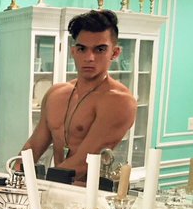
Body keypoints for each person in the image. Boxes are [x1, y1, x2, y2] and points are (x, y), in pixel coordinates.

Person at [20, 9, 137, 181]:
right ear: (73, 51)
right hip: (55, 186)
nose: (89, 57)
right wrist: (13, 176)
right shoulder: (56, 93)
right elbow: (33, 146)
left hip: (88, 193)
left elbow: (84, 163)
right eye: (82, 49)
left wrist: (40, 187)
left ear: (115, 53)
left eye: (100, 49)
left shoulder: (119, 101)